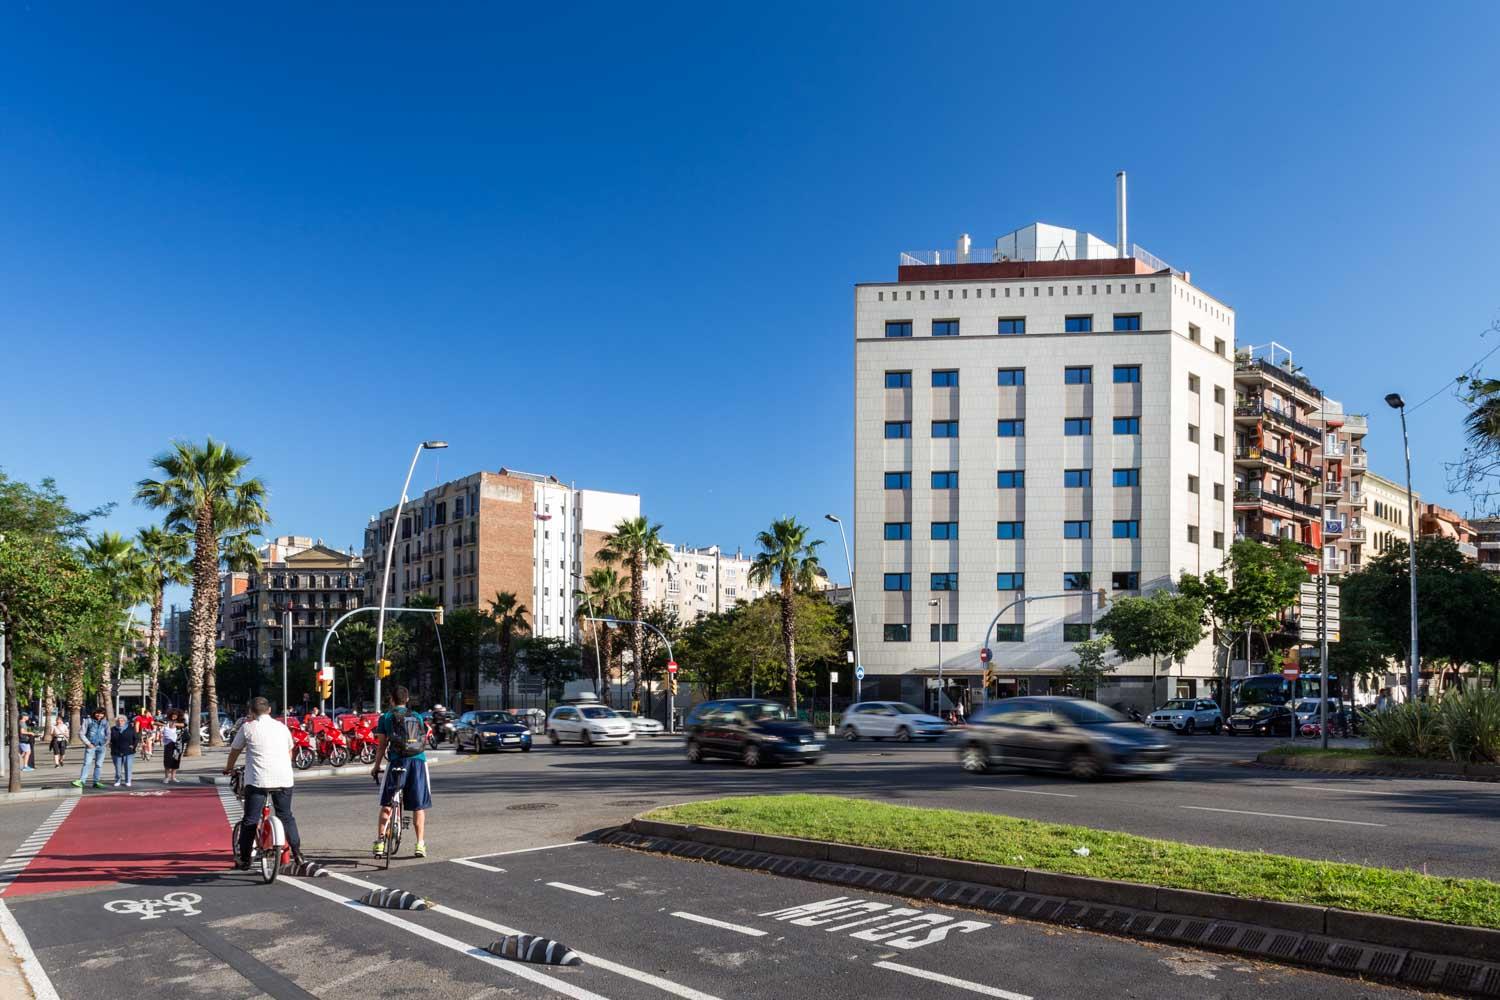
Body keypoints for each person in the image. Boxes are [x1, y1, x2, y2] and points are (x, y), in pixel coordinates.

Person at [223, 697, 302, 869]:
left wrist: (228, 768)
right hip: (284, 778)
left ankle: (244, 860)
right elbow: (290, 750)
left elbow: (235, 751)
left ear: (251, 712)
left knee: (250, 819)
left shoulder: (247, 727)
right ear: (269, 710)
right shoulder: (282, 727)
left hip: (258, 780)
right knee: (286, 816)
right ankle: (298, 855)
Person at [370, 685, 431, 859]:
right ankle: (420, 844)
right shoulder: (417, 716)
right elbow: (422, 738)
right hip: (418, 762)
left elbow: (381, 746)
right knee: (418, 806)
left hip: (397, 761)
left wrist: (376, 767)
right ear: (407, 700)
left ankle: (380, 842)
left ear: (391, 700)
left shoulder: (386, 717)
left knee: (387, 803)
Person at [71, 708, 110, 789]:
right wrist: (88, 743)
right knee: (87, 763)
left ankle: (96, 781)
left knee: (99, 765)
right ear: (94, 713)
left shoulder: (105, 722)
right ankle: (82, 781)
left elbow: (108, 733)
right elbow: (81, 733)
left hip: (101, 746)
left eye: (102, 714)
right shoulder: (88, 721)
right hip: (91, 745)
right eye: (98, 713)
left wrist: (105, 742)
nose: (99, 715)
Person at [109, 714, 138, 787]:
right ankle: (117, 780)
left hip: (128, 751)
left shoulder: (130, 728)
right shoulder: (113, 729)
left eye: (122, 721)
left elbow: (136, 738)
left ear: (125, 721)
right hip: (116, 751)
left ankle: (128, 781)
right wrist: (110, 743)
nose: (120, 722)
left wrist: (133, 746)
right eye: (118, 721)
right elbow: (109, 738)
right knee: (118, 768)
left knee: (128, 767)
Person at [161, 711, 183, 783]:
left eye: (176, 715)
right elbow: (155, 722)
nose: (174, 717)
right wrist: (165, 724)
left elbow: (184, 725)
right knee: (167, 761)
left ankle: (173, 777)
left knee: (176, 760)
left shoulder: (179, 723)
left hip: (177, 744)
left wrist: (176, 723)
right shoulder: (166, 721)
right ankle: (167, 777)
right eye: (173, 715)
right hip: (168, 744)